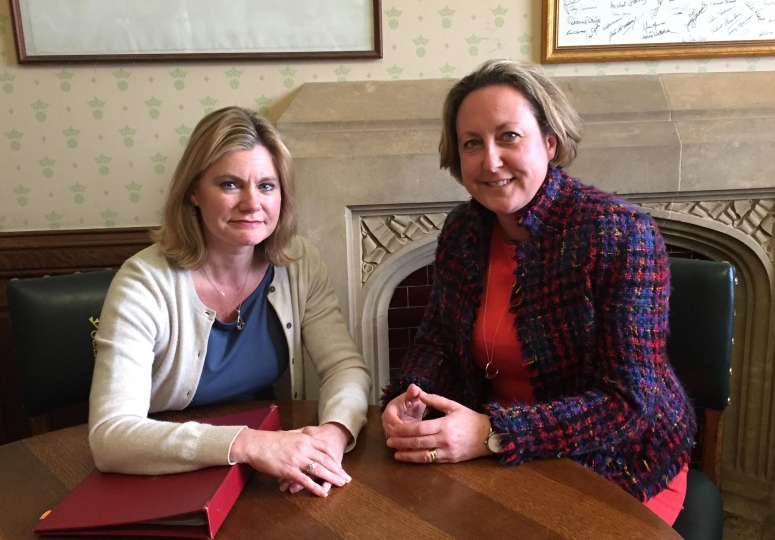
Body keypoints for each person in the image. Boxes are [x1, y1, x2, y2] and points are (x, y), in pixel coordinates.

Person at [381, 59, 694, 525]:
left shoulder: (620, 234)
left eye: (508, 136)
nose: (490, 160)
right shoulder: (462, 230)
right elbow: (436, 342)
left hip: (618, 458)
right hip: (498, 446)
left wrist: (492, 432)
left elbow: (628, 404)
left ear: (550, 143)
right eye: (472, 143)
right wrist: (411, 398)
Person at [89, 106, 371, 498]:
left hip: (264, 469)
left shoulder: (298, 262)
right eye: (230, 185)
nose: (252, 203)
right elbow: (111, 436)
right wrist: (250, 444)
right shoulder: (143, 282)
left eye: (267, 186)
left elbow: (345, 367)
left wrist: (333, 435)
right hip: (166, 469)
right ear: (193, 192)